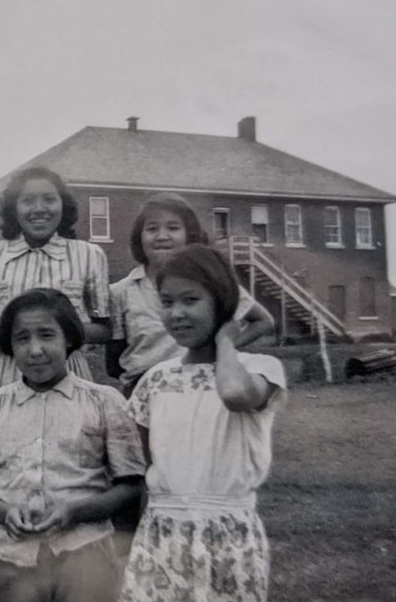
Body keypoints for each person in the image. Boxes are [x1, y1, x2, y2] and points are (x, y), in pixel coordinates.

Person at [0, 288, 146, 602]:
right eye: (22, 339)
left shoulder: (104, 401)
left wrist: (75, 511)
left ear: (68, 337)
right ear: (9, 346)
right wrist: (5, 512)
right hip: (13, 558)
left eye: (46, 335)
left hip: (87, 553)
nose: (35, 349)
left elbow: (131, 485)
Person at [120, 245, 287, 602]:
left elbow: (235, 395)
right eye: (167, 302)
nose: (177, 313)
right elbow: (144, 465)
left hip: (228, 534)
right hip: (162, 532)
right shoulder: (156, 379)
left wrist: (226, 340)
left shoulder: (260, 370)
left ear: (222, 303)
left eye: (190, 300)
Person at [107, 192, 275, 399]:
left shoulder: (210, 283)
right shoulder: (121, 291)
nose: (162, 236)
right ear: (139, 237)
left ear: (189, 235)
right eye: (152, 229)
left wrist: (220, 348)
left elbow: (263, 321)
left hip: (199, 384)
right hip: (143, 389)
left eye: (173, 228)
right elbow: (114, 360)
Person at [0, 167, 111, 391]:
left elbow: (104, 329)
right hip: (7, 373)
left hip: (68, 372)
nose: (39, 209)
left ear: (63, 205)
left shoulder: (89, 255)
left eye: (49, 199)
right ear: (14, 208)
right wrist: (16, 332)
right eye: (27, 201)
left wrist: (55, 333)